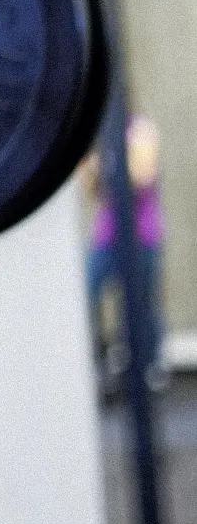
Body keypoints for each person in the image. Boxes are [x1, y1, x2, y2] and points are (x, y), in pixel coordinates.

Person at [84, 113, 166, 389]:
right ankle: (100, 361)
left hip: (141, 234)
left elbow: (141, 176)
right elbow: (91, 186)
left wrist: (104, 163)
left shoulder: (140, 130)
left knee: (140, 304)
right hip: (107, 234)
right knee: (88, 291)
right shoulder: (97, 136)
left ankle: (149, 364)